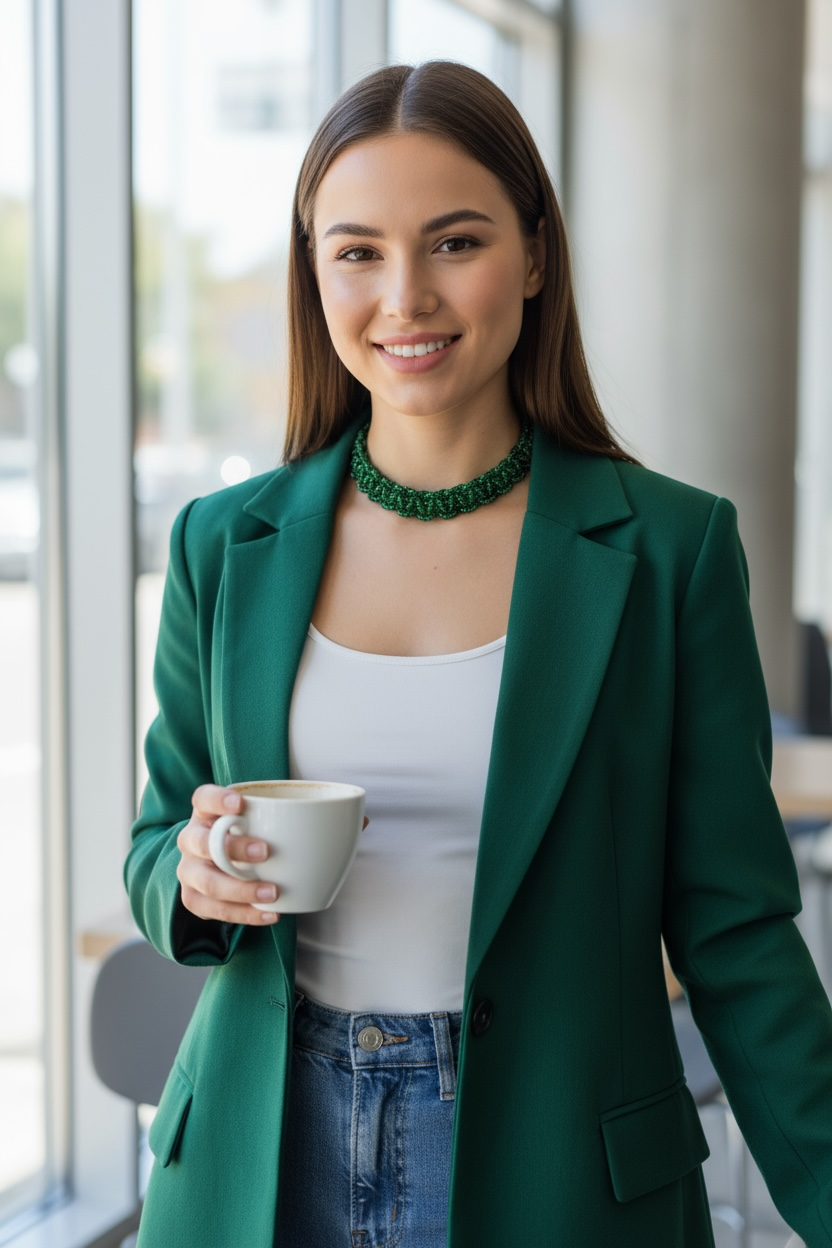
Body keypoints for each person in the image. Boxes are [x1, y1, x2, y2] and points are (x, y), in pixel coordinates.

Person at [126, 60, 832, 1248]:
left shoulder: (669, 551)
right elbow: (159, 840)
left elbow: (736, 929)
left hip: (554, 1168)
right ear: (314, 272)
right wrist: (192, 881)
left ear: (535, 254)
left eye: (453, 242)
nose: (404, 296)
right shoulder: (224, 544)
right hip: (261, 1160)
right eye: (356, 251)